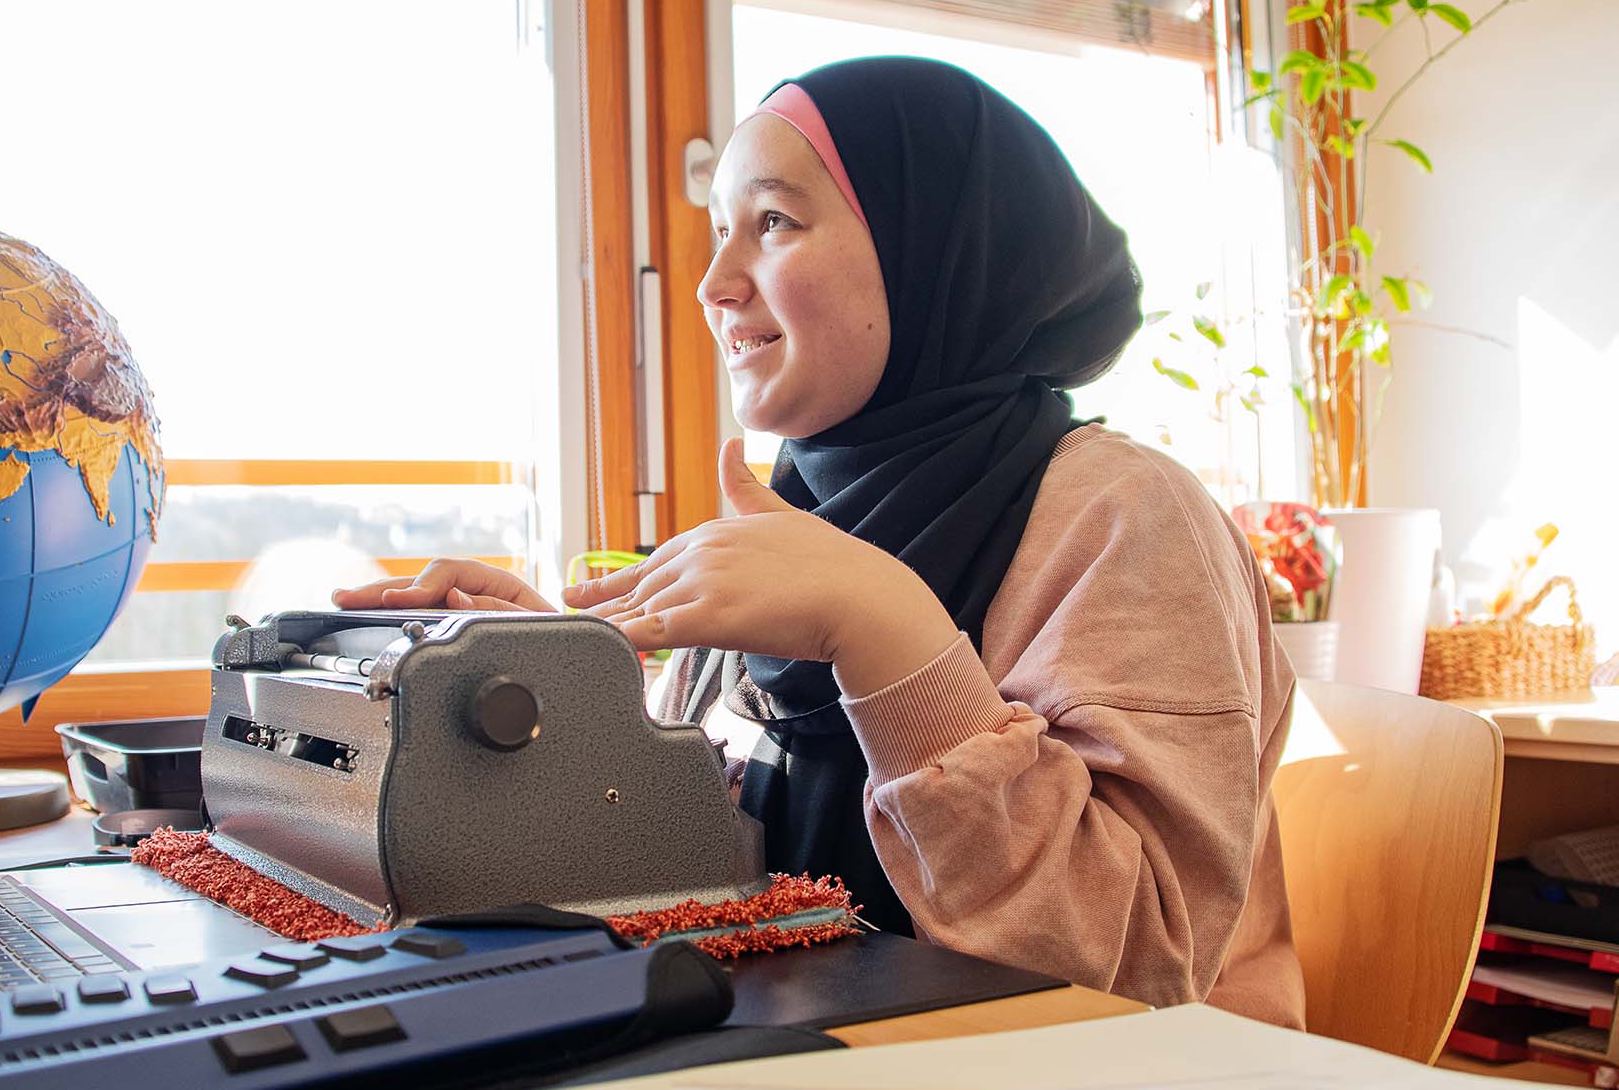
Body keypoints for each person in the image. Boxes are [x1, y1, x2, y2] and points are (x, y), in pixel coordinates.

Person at [334, 56, 1304, 1027]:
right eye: (719, 233)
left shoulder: (1124, 515)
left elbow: (1134, 970)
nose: (712, 283)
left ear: (933, 248)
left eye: (773, 223)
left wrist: (885, 631)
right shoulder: (786, 513)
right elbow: (700, 861)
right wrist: (557, 680)